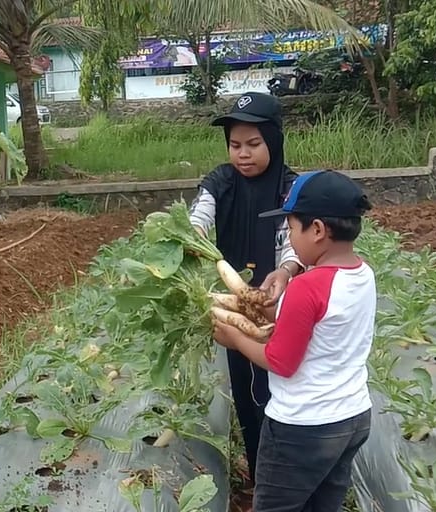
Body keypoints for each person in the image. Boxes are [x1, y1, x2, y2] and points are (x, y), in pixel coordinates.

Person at [212, 170, 376, 512]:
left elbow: (281, 361)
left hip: (302, 429)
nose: (288, 238)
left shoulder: (307, 287)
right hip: (352, 418)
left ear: (317, 230)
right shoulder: (361, 274)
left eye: (290, 229)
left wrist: (235, 337)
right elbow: (320, 328)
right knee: (322, 505)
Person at [188, 91, 304, 489]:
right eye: (235, 145)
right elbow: (199, 214)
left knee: (280, 395)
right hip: (235, 306)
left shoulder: (291, 188)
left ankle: (285, 479)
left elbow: (293, 239)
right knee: (245, 392)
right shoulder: (220, 181)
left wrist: (286, 271)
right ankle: (260, 478)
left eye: (253, 144)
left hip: (281, 308)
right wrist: (191, 236)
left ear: (273, 140)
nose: (243, 154)